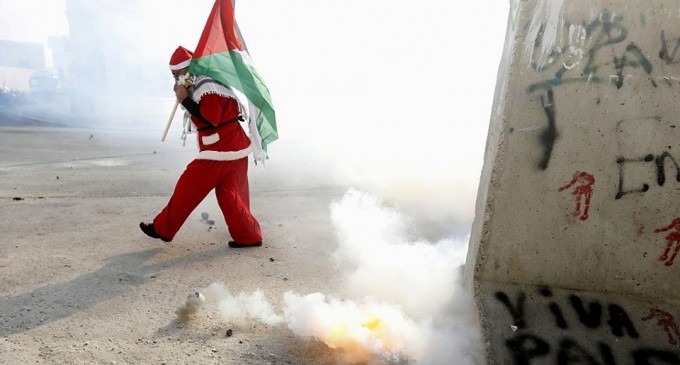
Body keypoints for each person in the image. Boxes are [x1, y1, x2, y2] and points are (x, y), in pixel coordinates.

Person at [139, 46, 262, 248]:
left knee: (187, 188)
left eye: (176, 74)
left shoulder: (206, 87)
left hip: (219, 151)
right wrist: (184, 95)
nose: (175, 79)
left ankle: (163, 229)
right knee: (229, 195)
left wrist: (184, 99)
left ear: (187, 69)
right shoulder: (204, 82)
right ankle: (249, 236)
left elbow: (210, 119)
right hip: (234, 146)